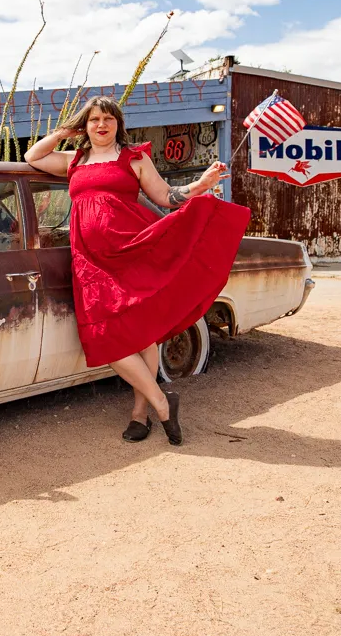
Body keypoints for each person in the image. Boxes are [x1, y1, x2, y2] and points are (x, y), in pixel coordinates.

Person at [24, 96, 251, 444]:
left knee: (141, 332)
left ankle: (140, 413)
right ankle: (162, 401)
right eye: (94, 119)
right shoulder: (76, 159)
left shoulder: (135, 158)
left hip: (133, 248)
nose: (102, 125)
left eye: (108, 119)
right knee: (102, 336)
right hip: (90, 260)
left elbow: (165, 196)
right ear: (85, 125)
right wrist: (65, 131)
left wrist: (201, 186)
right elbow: (32, 157)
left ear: (119, 123)